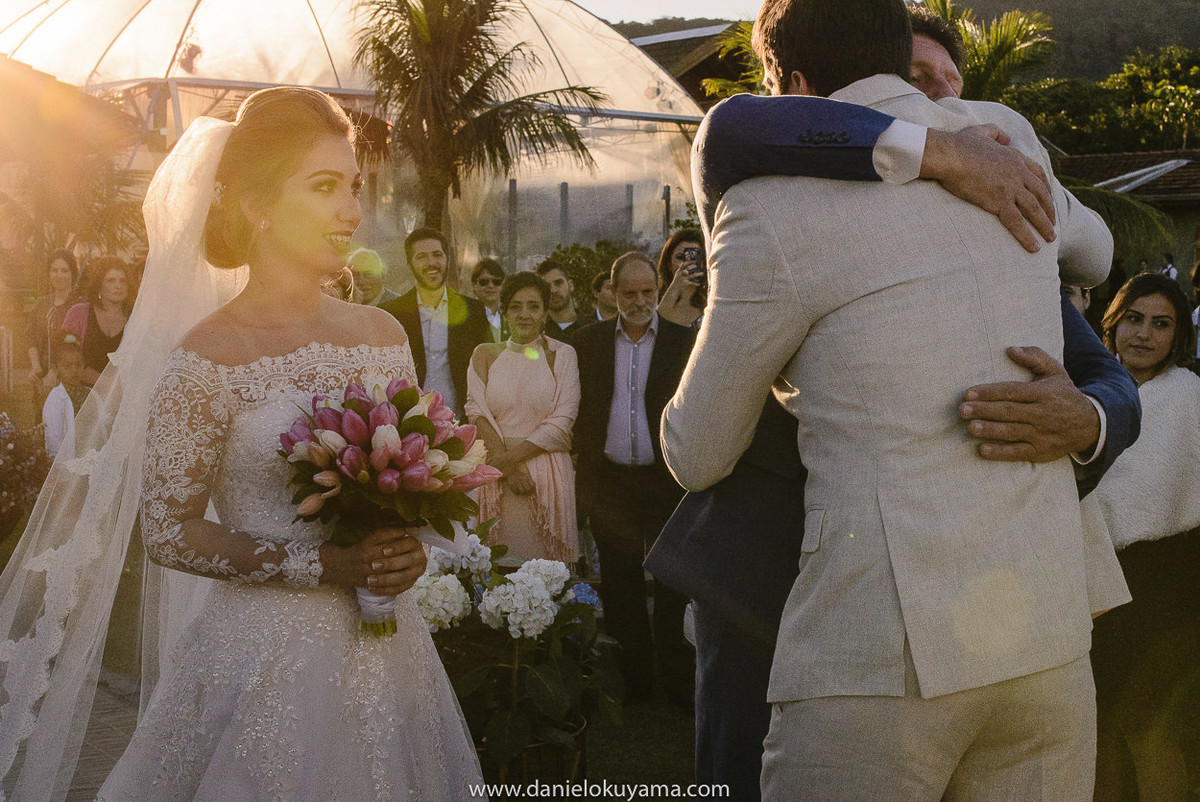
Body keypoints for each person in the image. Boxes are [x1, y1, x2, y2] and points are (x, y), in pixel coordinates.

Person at [647, 9, 1141, 798]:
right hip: (1043, 639)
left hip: (876, 653)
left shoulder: (769, 205)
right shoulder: (1007, 146)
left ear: (790, 86)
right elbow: (1100, 252)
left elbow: (696, 452)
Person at [0, 87, 483, 800]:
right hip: (261, 661)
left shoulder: (383, 337)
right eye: (324, 188)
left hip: (386, 656)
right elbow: (168, 531)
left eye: (354, 187)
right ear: (256, 205)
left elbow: (406, 481)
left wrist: (407, 546)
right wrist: (323, 565)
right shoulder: (205, 356)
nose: (352, 210)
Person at [1091, 273, 1200, 802]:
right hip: (1094, 579)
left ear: (1177, 336)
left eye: (1161, 324)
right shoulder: (1089, 393)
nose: (1144, 334)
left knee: (1148, 727)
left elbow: (1144, 494)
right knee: (1098, 724)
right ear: (1111, 324)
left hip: (1163, 582)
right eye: (1133, 319)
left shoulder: (1185, 397)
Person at [573, 251, 694, 706]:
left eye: (648, 292)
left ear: (658, 290)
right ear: (613, 291)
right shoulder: (589, 343)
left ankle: (678, 685)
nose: (640, 301)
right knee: (621, 588)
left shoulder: (683, 343)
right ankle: (638, 687)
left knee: (673, 587)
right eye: (630, 293)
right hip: (611, 483)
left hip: (667, 481)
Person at [466, 271, 580, 564]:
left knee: (547, 574)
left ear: (545, 313)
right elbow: (476, 413)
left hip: (546, 473)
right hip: (495, 475)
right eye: (515, 306)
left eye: (533, 306)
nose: (524, 314)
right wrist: (507, 469)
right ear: (504, 312)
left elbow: (562, 421)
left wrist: (507, 461)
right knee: (494, 568)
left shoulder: (562, 355)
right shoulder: (484, 354)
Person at [379, 228, 489, 418]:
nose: (431, 263)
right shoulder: (391, 314)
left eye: (437, 255)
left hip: (462, 419)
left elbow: (486, 371)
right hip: (407, 422)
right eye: (421, 256)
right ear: (409, 263)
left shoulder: (474, 312)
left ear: (447, 258)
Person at [61, 256, 131, 387]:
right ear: (99, 284)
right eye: (111, 280)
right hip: (83, 393)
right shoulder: (78, 314)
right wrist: (104, 384)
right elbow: (64, 354)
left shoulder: (135, 318)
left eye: (123, 281)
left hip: (124, 395)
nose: (118, 286)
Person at [25, 248, 80, 403]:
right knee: (42, 424)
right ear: (48, 274)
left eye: (64, 270)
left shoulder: (79, 305)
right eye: (54, 270)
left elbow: (76, 342)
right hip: (42, 383)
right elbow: (31, 338)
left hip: (71, 380)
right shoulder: (41, 304)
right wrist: (36, 367)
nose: (59, 275)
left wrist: (55, 373)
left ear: (72, 274)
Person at [41, 336, 87, 460]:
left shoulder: (90, 393)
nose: (74, 370)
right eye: (67, 366)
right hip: (66, 462)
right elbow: (53, 436)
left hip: (89, 456)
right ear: (56, 369)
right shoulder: (56, 398)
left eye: (78, 365)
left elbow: (101, 423)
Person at [656, 229, 706, 329]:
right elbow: (654, 334)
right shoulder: (653, 298)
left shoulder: (713, 300)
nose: (687, 263)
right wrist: (674, 288)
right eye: (680, 257)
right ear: (669, 264)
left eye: (695, 257)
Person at [535, 259, 580, 342]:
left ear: (571, 286)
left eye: (558, 283)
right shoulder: (534, 334)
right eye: (546, 286)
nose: (553, 290)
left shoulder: (595, 329)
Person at [471, 258, 506, 342]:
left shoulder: (509, 316)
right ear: (474, 285)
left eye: (496, 281)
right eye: (484, 281)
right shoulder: (467, 316)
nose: (491, 286)